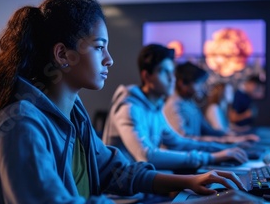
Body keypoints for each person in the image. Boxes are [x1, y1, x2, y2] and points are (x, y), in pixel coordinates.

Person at [0, 0, 270, 204]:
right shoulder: (21, 124)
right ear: (63, 55)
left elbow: (115, 170)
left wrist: (190, 182)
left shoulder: (72, 112)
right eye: (99, 47)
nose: (109, 59)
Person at [102, 44, 249, 171]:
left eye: (172, 72)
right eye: (164, 72)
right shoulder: (129, 107)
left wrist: (224, 150)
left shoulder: (155, 107)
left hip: (145, 190)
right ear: (146, 76)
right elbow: (147, 155)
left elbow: (179, 142)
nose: (172, 78)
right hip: (125, 199)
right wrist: (211, 157)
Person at [163, 61, 259, 143]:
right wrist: (225, 142)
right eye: (198, 83)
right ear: (182, 83)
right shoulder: (174, 105)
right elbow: (184, 140)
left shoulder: (190, 103)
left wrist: (235, 138)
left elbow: (208, 130)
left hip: (196, 156)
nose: (200, 88)